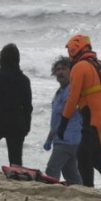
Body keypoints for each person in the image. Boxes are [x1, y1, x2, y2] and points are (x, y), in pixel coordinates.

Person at [57, 34, 101, 192]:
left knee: (98, 160)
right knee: (83, 156)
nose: (69, 54)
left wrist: (63, 122)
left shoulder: (79, 67)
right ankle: (88, 190)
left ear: (75, 48)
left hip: (94, 120)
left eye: (70, 50)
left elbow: (73, 98)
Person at [43, 56, 82, 185]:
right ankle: (81, 192)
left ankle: (50, 192)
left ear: (71, 71)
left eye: (64, 69)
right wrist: (49, 139)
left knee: (52, 168)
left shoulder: (73, 90)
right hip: (60, 139)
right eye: (58, 69)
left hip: (69, 139)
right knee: (70, 172)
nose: (60, 72)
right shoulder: (59, 92)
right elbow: (57, 119)